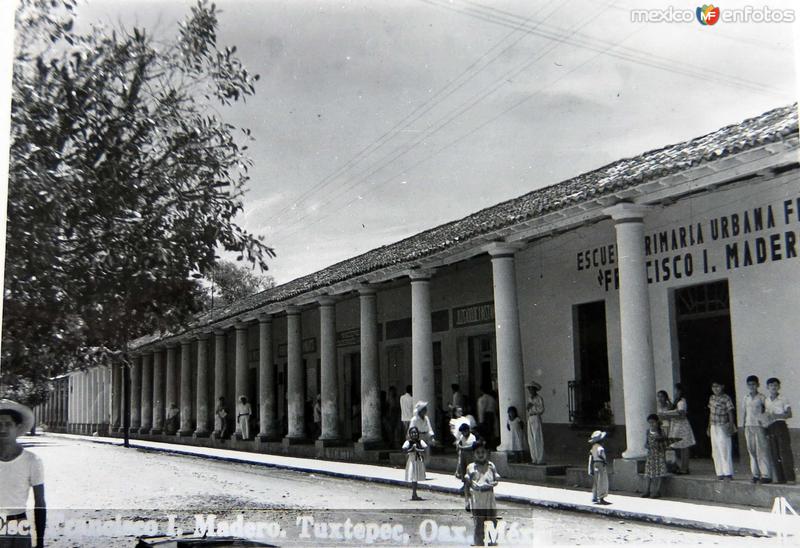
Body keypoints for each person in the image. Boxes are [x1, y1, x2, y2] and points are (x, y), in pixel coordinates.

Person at [0, 400, 46, 548]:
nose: (3, 429)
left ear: (17, 427)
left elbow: (39, 503)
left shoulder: (32, 461)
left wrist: (39, 541)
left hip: (18, 525)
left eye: (8, 424)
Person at [465, 440, 500, 546]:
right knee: (479, 524)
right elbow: (467, 486)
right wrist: (467, 501)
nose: (480, 455)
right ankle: (478, 543)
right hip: (477, 500)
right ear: (473, 454)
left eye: (483, 452)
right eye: (478, 452)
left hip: (489, 498)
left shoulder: (491, 466)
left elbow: (496, 479)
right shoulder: (471, 468)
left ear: (487, 453)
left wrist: (493, 483)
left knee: (492, 522)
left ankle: (492, 543)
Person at [764, 377, 795, 484]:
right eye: (771, 385)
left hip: (781, 425)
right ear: (767, 387)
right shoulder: (766, 400)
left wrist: (776, 416)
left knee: (784, 451)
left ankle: (790, 478)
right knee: (774, 452)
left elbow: (789, 414)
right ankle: (780, 478)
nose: (773, 387)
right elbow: (766, 415)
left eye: (776, 385)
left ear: (779, 387)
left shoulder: (783, 399)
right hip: (770, 426)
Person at [742, 375, 772, 484]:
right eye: (749, 384)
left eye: (754, 384)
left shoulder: (762, 398)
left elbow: (767, 412)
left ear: (758, 385)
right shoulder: (746, 397)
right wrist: (744, 425)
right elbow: (744, 413)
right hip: (748, 426)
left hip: (759, 426)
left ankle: (766, 475)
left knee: (761, 451)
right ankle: (755, 474)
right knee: (752, 451)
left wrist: (764, 424)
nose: (751, 386)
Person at [661, 383, 695, 474]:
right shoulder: (677, 401)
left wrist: (668, 413)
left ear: (680, 391)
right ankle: (682, 467)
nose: (675, 392)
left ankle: (685, 468)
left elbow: (681, 414)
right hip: (677, 426)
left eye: (676, 390)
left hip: (681, 426)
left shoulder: (681, 402)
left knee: (684, 447)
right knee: (681, 447)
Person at [707, 381, 736, 480]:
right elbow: (710, 413)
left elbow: (730, 412)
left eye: (718, 386)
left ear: (722, 386)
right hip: (713, 426)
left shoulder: (726, 398)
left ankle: (728, 473)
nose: (715, 388)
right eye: (713, 386)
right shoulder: (712, 398)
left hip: (723, 425)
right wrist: (708, 426)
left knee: (724, 449)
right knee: (715, 450)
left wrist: (731, 426)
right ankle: (720, 473)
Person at [642, 414, 669, 498]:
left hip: (659, 454)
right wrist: (648, 446)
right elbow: (646, 444)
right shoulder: (648, 431)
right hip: (650, 455)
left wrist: (660, 442)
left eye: (653, 422)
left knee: (658, 474)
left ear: (657, 422)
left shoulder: (661, 432)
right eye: (650, 423)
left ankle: (657, 491)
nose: (651, 424)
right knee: (648, 474)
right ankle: (647, 490)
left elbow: (665, 444)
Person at [402, 427, 427, 501]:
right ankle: (414, 493)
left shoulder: (420, 441)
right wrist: (411, 449)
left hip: (418, 461)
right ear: (410, 434)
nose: (414, 434)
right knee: (413, 477)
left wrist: (418, 450)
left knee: (415, 477)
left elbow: (425, 449)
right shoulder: (408, 442)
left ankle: (414, 493)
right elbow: (404, 450)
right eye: (412, 433)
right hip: (412, 461)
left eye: (415, 432)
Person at [587, 430, 610, 505]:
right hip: (600, 464)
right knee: (602, 480)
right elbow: (600, 453)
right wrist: (604, 460)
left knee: (596, 481)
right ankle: (601, 497)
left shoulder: (593, 447)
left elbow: (591, 457)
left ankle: (594, 496)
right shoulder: (600, 447)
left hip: (595, 464)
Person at [525, 382, 545, 464]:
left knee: (537, 438)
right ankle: (534, 458)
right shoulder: (529, 398)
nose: (530, 390)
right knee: (531, 439)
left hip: (536, 417)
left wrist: (533, 406)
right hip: (530, 418)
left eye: (531, 389)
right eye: (529, 389)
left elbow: (541, 409)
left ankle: (540, 459)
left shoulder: (539, 398)